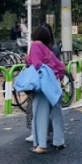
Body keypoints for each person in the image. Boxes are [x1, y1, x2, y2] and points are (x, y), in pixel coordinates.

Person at [25, 25, 67, 154]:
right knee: (56, 113)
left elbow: (37, 65)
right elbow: (61, 68)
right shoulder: (48, 49)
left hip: (43, 86)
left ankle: (41, 145)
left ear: (35, 35)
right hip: (54, 84)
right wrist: (55, 78)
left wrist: (28, 60)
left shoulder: (35, 45)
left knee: (39, 114)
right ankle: (59, 141)